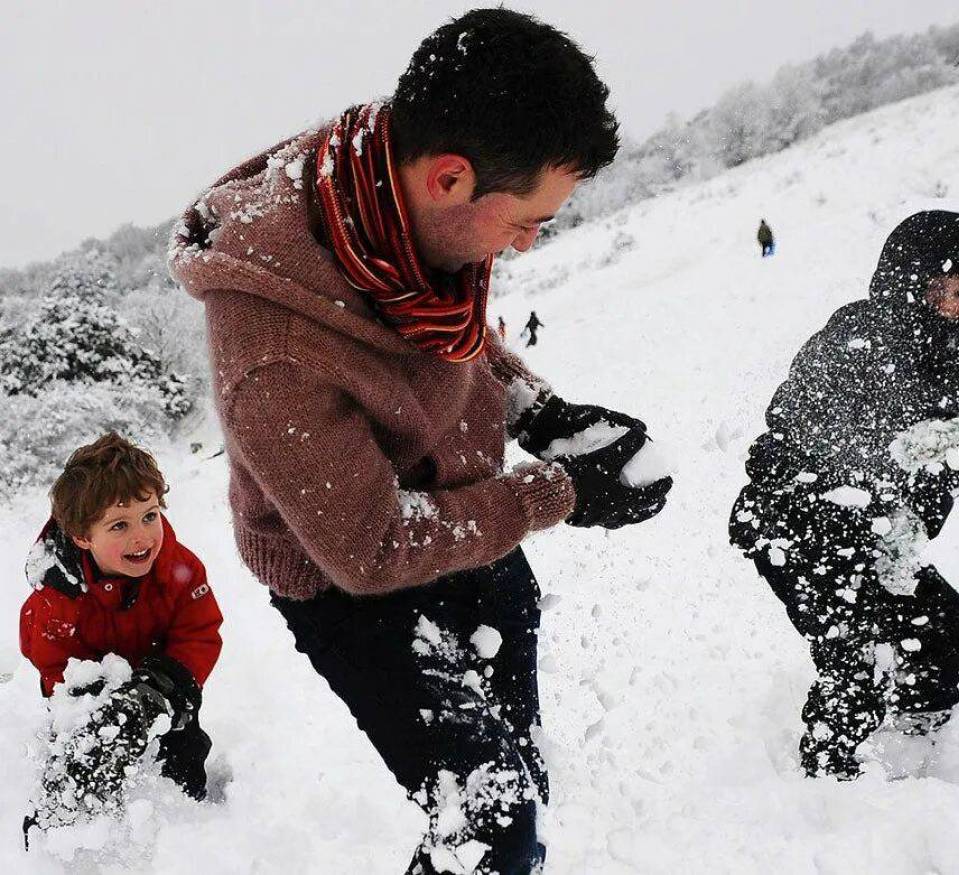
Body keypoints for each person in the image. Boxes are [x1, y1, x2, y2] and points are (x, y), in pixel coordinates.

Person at [169, 9, 672, 873]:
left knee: (521, 781)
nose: (527, 242)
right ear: (449, 178)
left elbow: (447, 339)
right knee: (493, 823)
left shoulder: (389, 199)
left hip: (470, 525)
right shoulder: (271, 342)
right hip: (351, 584)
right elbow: (368, 547)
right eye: (525, 222)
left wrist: (540, 412)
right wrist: (561, 492)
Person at [729, 210, 959, 780]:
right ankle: (827, 790)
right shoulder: (862, 334)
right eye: (958, 291)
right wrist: (879, 467)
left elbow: (931, 494)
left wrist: (917, 494)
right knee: (857, 659)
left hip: (873, 534)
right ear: (917, 280)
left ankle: (912, 744)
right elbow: (800, 423)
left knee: (946, 622)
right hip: (795, 524)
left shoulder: (945, 366)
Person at [20, 433, 222, 834]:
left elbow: (200, 631)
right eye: (119, 525)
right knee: (89, 749)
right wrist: (94, 701)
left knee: (184, 750)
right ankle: (67, 827)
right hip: (87, 687)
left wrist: (164, 685)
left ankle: (195, 830)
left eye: (149, 516)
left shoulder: (180, 570)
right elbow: (51, 659)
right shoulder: (58, 595)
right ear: (82, 537)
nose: (142, 537)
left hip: (162, 681)